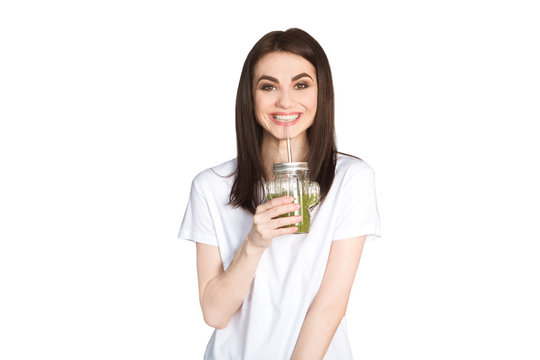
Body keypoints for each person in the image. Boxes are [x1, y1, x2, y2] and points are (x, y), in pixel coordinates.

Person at [178, 28, 381, 360]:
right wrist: (255, 242)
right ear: (250, 96)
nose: (285, 101)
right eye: (268, 86)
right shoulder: (211, 186)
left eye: (301, 85)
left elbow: (330, 306)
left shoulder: (351, 180)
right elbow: (214, 314)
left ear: (321, 93)